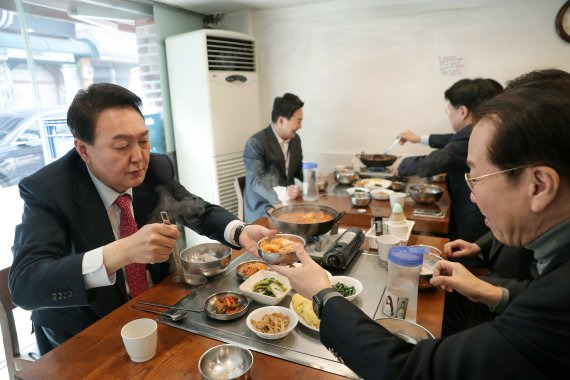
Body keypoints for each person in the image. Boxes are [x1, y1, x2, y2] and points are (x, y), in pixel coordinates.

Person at [273, 71, 570, 378]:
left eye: (476, 177)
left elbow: (407, 371)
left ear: (539, 186)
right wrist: (492, 292)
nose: (472, 195)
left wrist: (323, 294)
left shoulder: (558, 301)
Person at [9, 83, 274, 355]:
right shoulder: (50, 190)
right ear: (84, 150)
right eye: (122, 146)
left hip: (154, 307)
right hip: (86, 332)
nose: (139, 158)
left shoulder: (156, 168)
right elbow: (25, 284)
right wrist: (124, 251)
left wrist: (240, 230)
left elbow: (197, 210)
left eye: (144, 141)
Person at [389, 78, 501, 242]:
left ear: (463, 111)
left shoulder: (474, 133)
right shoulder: (479, 129)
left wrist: (403, 165)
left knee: (466, 256)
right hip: (473, 208)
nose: (449, 115)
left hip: (473, 214)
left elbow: (440, 160)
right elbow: (453, 140)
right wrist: (419, 138)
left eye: (450, 109)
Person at [442, 231, 535, 335]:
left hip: (516, 317)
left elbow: (546, 292)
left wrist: (484, 287)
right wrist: (478, 246)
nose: (482, 214)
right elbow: (505, 226)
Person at [243, 93, 304, 222]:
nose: (300, 126)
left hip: (289, 206)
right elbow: (256, 180)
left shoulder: (295, 140)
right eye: (298, 121)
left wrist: (313, 177)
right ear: (282, 121)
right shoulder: (256, 143)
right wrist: (282, 193)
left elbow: (298, 168)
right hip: (263, 209)